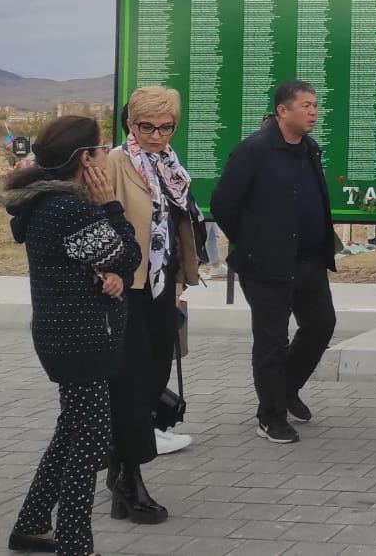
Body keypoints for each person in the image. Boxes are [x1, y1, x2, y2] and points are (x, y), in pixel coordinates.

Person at [2, 115, 141, 556]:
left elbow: (104, 262)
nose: (107, 154)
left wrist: (109, 273)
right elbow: (127, 253)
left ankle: (31, 524)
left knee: (72, 429)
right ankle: (74, 542)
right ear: (86, 159)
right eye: (102, 148)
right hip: (80, 339)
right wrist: (110, 206)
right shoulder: (71, 209)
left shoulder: (48, 205)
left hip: (65, 334)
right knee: (92, 439)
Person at [210, 80, 339, 445]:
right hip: (266, 264)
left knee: (321, 325)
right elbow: (223, 204)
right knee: (271, 340)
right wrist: (252, 240)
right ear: (283, 111)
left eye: (316, 105)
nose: (314, 112)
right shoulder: (254, 150)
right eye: (306, 105)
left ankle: (285, 389)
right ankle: (271, 416)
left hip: (309, 261)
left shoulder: (310, 149)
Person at [98, 89, 203, 523]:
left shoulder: (170, 166)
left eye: (165, 127)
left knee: (155, 374)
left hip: (161, 287)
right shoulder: (115, 164)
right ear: (131, 125)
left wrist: (179, 280)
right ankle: (130, 482)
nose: (157, 135)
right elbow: (100, 221)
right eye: (147, 127)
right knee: (132, 385)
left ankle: (121, 468)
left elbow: (177, 224)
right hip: (128, 290)